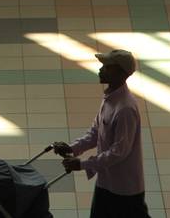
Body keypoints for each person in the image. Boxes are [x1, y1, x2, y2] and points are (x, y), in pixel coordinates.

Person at [53, 49, 150, 218]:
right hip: (106, 182)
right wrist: (72, 148)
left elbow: (119, 152)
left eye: (107, 67)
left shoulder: (125, 109)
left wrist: (82, 164)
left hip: (124, 189)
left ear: (120, 73)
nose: (101, 69)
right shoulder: (110, 99)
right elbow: (95, 132)